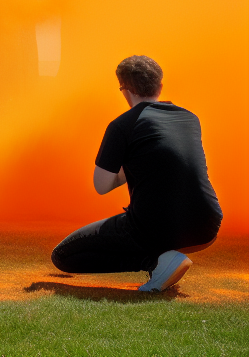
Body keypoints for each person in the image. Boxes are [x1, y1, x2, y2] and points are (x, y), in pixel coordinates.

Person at [50, 55, 222, 293]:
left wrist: (131, 163)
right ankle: (164, 259)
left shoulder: (123, 125)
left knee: (62, 256)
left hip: (154, 227)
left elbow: (101, 185)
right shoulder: (190, 118)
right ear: (160, 86)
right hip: (207, 225)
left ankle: (154, 261)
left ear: (124, 89)